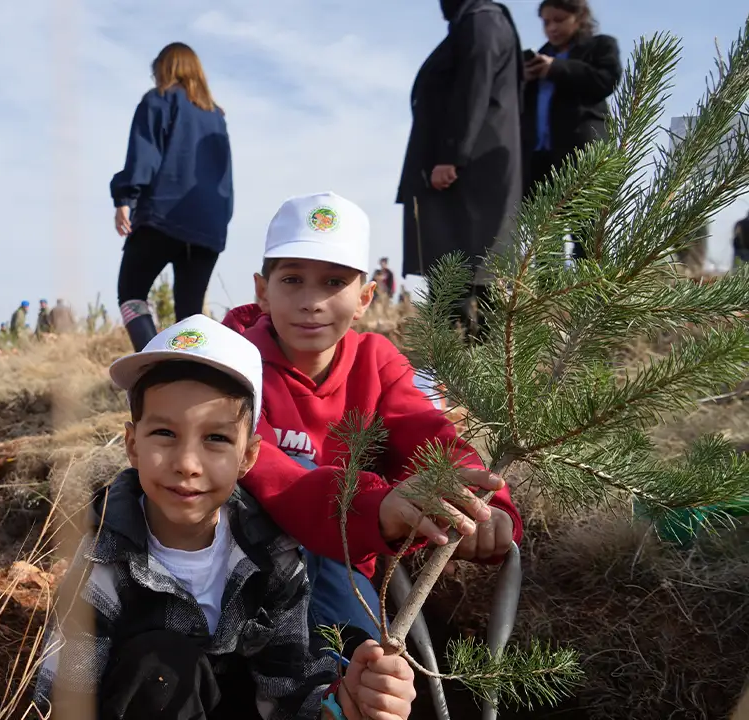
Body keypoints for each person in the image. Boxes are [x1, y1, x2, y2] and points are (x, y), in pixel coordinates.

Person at [34, 314, 417, 720]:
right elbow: (61, 698)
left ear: (248, 456)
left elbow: (285, 690)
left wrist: (342, 706)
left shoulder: (273, 553)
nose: (187, 464)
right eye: (164, 433)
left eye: (215, 439)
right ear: (132, 444)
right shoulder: (104, 556)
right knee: (162, 665)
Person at [222, 192, 522, 649]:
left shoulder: (377, 362)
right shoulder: (233, 363)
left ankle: (345, 678)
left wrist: (484, 507)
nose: (311, 301)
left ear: (364, 298)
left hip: (341, 572)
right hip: (239, 565)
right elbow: (264, 472)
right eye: (293, 279)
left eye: (333, 282)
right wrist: (376, 507)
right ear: (263, 291)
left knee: (360, 668)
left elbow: (429, 435)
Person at [398, 0, 523, 338]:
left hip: (467, 172)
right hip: (467, 169)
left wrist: (452, 155)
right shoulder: (477, 21)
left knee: (470, 262)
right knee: (456, 263)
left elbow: (474, 88)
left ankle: (476, 360)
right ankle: (454, 359)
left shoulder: (483, 21)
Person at [112, 42, 234, 352]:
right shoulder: (216, 116)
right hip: (209, 225)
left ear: (165, 69)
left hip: (163, 217)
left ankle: (156, 365)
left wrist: (126, 198)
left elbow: (144, 157)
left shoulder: (159, 100)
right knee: (190, 315)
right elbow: (225, 176)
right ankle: (193, 384)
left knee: (131, 295)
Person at [521, 0, 622, 259]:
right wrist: (524, 79)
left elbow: (605, 81)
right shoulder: (536, 56)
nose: (552, 27)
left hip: (581, 155)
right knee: (544, 240)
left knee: (586, 236)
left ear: (578, 17)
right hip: (540, 159)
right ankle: (547, 297)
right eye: (546, 22)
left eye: (559, 19)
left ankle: (591, 297)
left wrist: (556, 68)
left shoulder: (600, 46)